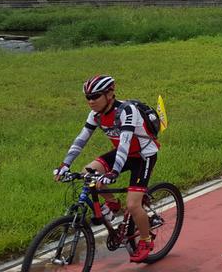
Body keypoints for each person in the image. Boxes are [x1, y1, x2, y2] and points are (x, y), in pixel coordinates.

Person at [54, 76, 160, 263]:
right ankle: (112, 204)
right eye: (88, 97)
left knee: (134, 205)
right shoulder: (96, 114)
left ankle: (145, 240)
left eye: (95, 96)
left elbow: (125, 143)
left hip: (143, 155)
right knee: (89, 173)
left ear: (110, 94)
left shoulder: (127, 111)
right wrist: (65, 164)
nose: (91, 101)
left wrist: (114, 172)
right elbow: (81, 139)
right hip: (123, 153)